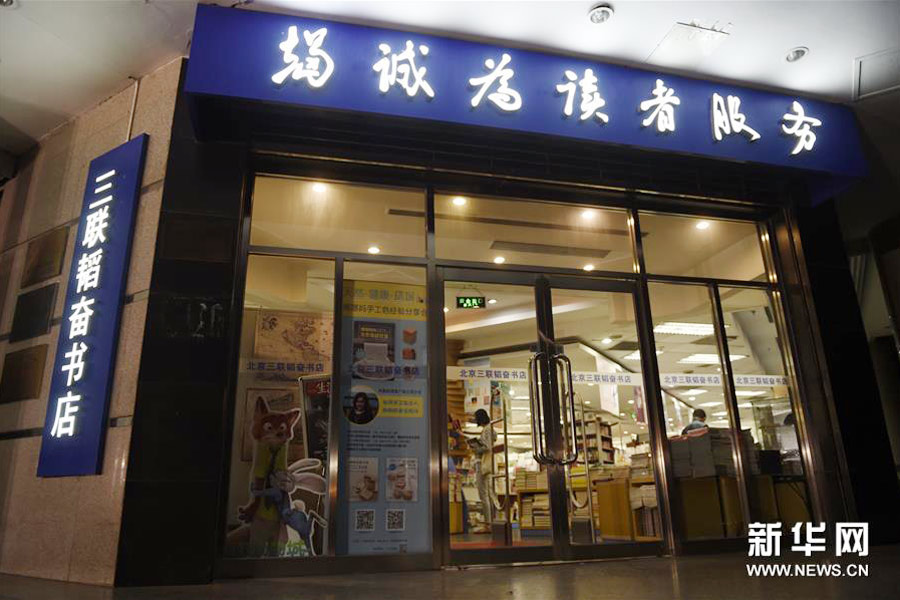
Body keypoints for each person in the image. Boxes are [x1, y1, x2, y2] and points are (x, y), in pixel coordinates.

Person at [469, 408, 497, 532]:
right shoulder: (491, 430)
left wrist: (475, 448)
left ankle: (488, 524)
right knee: (487, 493)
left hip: (482, 463)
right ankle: (490, 522)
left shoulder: (486, 430)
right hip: (487, 463)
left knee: (483, 494)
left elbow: (486, 447)